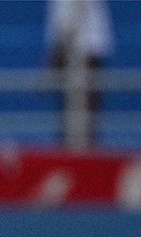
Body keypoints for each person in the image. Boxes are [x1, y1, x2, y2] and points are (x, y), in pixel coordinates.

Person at [45, 0, 113, 148]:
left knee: (82, 111)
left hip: (82, 51)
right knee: (76, 113)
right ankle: (77, 149)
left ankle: (80, 154)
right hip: (80, 49)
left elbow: (70, 19)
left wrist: (56, 56)